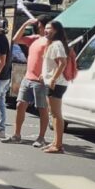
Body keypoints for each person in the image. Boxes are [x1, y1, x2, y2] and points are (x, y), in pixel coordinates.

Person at [8, 15, 53, 146]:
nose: (37, 28)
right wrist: (26, 23)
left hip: (40, 81)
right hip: (27, 78)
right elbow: (15, 39)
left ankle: (41, 138)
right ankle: (17, 135)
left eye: (39, 25)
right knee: (20, 105)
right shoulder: (34, 39)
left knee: (42, 109)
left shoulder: (50, 42)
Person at [40, 20, 70, 154]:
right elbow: (53, 64)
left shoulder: (57, 44)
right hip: (52, 82)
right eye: (45, 28)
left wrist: (53, 78)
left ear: (56, 31)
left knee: (56, 114)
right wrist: (45, 75)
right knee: (54, 113)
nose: (46, 30)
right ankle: (55, 142)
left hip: (56, 84)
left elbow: (62, 63)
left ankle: (58, 145)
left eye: (49, 28)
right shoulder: (53, 44)